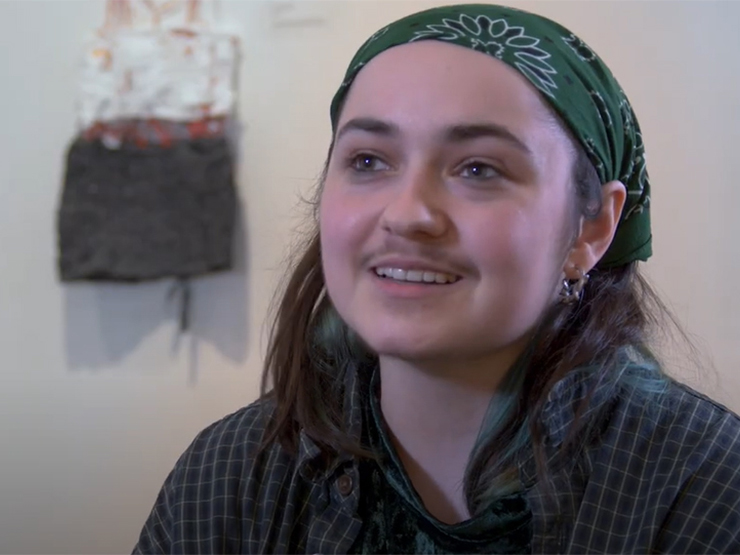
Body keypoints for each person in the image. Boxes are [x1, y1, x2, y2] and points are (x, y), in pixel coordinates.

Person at [133, 4, 740, 553]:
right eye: (368, 161)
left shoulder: (709, 491)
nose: (406, 214)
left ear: (590, 228)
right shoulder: (230, 474)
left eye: (478, 168)